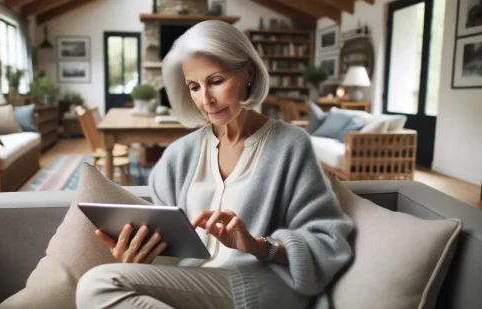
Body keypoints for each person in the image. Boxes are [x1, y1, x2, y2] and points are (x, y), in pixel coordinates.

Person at [76, 20, 353, 309]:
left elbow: (327, 241)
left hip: (262, 286)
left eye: (216, 81)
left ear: (248, 72)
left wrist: (257, 245)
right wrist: (138, 257)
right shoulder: (179, 156)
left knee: (98, 284)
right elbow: (172, 251)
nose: (205, 99)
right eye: (194, 87)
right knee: (106, 282)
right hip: (197, 287)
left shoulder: (290, 145)